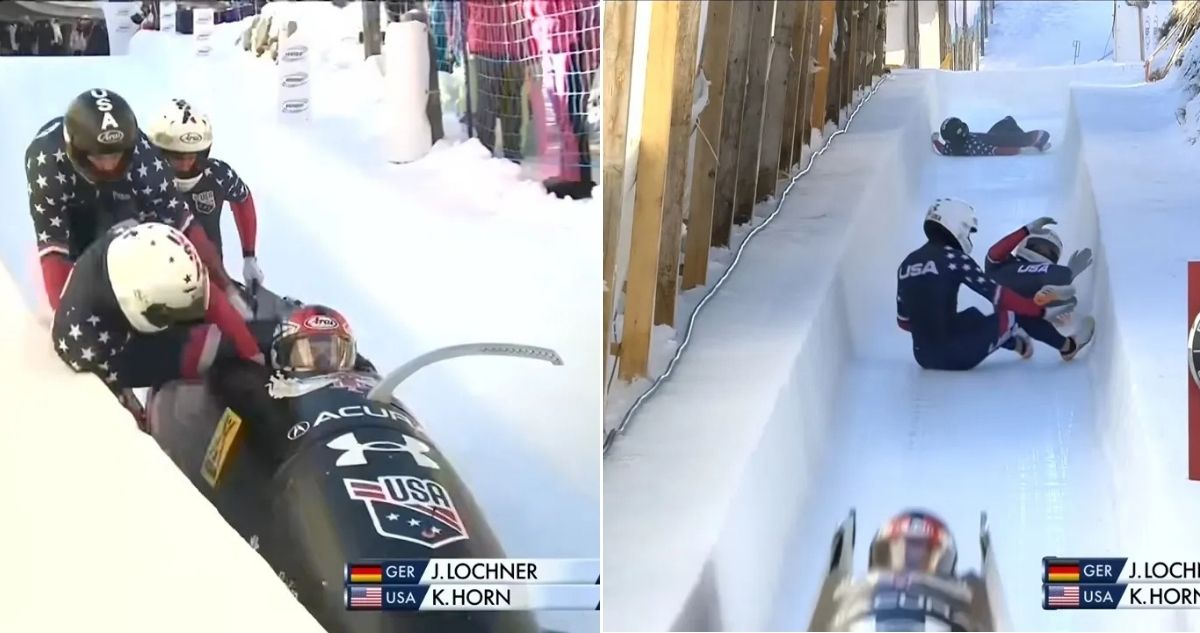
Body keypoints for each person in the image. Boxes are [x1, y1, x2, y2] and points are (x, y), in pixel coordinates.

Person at [24, 88, 243, 315]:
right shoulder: (46, 166)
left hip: (121, 193)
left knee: (139, 231)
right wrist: (70, 318)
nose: (109, 165)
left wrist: (223, 283)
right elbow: (54, 250)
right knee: (85, 249)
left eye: (116, 155)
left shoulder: (143, 155)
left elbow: (182, 221)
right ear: (77, 151)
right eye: (100, 156)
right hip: (72, 196)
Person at [51, 222, 264, 418]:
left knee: (216, 343)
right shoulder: (86, 346)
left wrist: (251, 352)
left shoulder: (152, 249)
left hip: (118, 311)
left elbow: (209, 298)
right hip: (106, 345)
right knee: (205, 350)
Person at [896, 198, 1078, 370]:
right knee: (1016, 313)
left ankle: (1017, 343)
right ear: (959, 226)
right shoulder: (956, 259)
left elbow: (904, 323)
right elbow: (1001, 296)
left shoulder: (907, 263)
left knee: (972, 315)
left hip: (923, 357)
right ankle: (1067, 346)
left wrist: (935, 324)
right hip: (956, 356)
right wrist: (1041, 311)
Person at [146, 98, 263, 287]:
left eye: (192, 156)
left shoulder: (218, 174)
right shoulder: (143, 182)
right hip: (156, 286)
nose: (185, 164)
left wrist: (249, 256)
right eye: (177, 157)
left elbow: (243, 198)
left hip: (212, 282)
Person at [984, 218, 1096, 361]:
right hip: (1013, 302)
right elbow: (994, 253)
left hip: (1023, 309)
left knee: (1063, 300)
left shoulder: (1042, 274)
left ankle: (1034, 335)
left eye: (1050, 251)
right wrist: (1026, 229)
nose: (1042, 252)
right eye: (1038, 247)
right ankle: (1059, 338)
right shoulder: (1004, 263)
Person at [934, 116, 1050, 156]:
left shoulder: (950, 148)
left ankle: (1020, 133)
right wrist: (1023, 150)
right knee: (1009, 126)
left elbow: (942, 149)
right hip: (996, 140)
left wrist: (935, 141)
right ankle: (1033, 142)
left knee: (1008, 121)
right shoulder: (973, 146)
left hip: (989, 136)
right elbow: (998, 151)